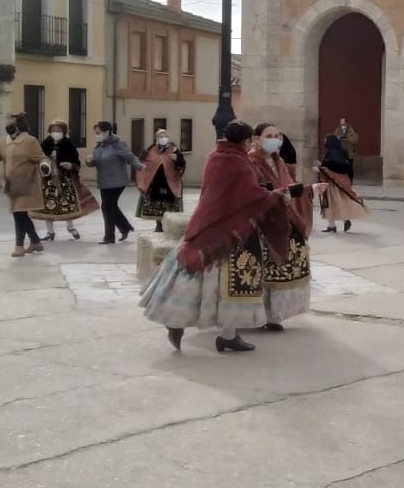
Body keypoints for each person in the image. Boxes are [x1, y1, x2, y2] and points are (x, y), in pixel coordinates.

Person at [139, 120, 301, 354]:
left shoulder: (215, 156)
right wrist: (282, 193)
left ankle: (177, 320)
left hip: (205, 224)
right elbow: (252, 197)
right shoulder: (240, 163)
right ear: (247, 141)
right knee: (233, 285)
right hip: (232, 232)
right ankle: (227, 335)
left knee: (192, 281)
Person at [253, 122, 313, 329]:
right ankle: (259, 315)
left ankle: (273, 315)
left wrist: (310, 189)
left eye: (278, 136)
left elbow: (288, 187)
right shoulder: (251, 161)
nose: (275, 139)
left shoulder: (278, 161)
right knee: (265, 270)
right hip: (264, 221)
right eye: (269, 135)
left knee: (286, 264)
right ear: (257, 139)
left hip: (284, 215)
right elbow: (259, 191)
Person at [0, 113, 49, 256]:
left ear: (19, 125)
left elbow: (41, 157)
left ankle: (19, 246)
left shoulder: (30, 141)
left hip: (26, 181)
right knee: (20, 214)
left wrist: (44, 166)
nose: (8, 125)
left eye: (11, 123)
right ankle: (35, 242)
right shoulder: (5, 142)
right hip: (12, 183)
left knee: (19, 214)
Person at [33, 119, 99, 242]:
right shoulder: (46, 143)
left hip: (64, 178)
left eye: (58, 130)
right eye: (53, 130)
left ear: (64, 131)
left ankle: (70, 227)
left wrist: (70, 165)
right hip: (48, 179)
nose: (55, 132)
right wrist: (44, 163)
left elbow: (76, 162)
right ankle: (50, 232)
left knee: (66, 203)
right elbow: (40, 157)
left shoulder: (68, 144)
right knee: (48, 205)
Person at [86, 121, 144, 245]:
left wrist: (140, 167)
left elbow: (130, 157)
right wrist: (89, 161)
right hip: (104, 182)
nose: (97, 135)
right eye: (96, 133)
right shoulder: (99, 145)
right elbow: (94, 161)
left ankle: (109, 236)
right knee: (110, 207)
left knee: (107, 206)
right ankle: (125, 227)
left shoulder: (118, 143)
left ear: (107, 132)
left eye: (99, 133)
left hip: (117, 181)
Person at [136, 129, 187, 232]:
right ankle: (158, 224)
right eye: (160, 136)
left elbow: (182, 163)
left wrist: (177, 159)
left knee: (169, 204)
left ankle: (168, 224)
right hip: (155, 181)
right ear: (156, 138)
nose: (162, 138)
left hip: (170, 182)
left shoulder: (174, 149)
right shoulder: (151, 149)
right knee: (155, 204)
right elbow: (143, 161)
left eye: (164, 136)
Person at [316, 133, 368, 234]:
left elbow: (332, 167)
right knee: (342, 202)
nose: (324, 142)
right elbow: (341, 166)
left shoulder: (333, 152)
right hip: (340, 182)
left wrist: (320, 167)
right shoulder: (340, 152)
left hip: (333, 184)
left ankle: (332, 226)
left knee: (330, 204)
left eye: (326, 140)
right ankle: (345, 220)